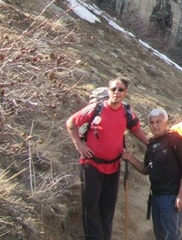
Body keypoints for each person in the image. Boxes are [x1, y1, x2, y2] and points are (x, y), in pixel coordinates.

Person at [66, 76, 149, 240]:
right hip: (91, 165)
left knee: (107, 208)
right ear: (108, 90)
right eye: (113, 89)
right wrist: (79, 145)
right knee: (91, 207)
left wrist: (151, 144)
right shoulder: (96, 108)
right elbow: (71, 123)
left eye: (120, 89)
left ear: (126, 92)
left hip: (113, 167)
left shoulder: (126, 112)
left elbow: (135, 129)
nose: (116, 92)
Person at [123, 108, 182, 240]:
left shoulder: (175, 140)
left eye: (158, 122)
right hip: (156, 197)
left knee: (171, 235)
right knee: (159, 235)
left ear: (166, 123)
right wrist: (131, 159)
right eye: (152, 122)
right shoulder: (152, 145)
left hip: (172, 196)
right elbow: (146, 169)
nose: (155, 125)